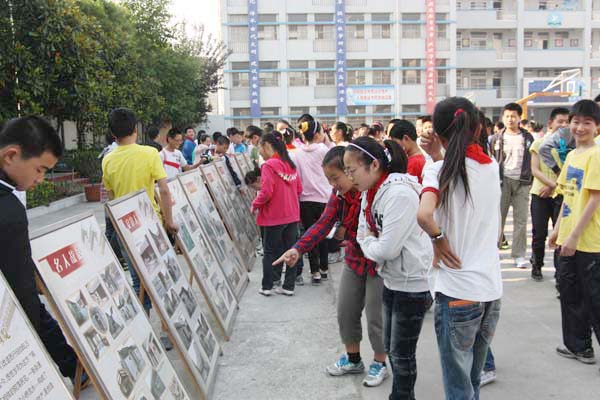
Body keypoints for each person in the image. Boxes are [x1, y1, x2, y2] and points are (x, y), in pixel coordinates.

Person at [274, 146, 388, 387]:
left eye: (336, 177)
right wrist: (298, 248)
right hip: (355, 260)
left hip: (379, 264)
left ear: (350, 171)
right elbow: (323, 223)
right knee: (346, 311)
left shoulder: (377, 193)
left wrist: (351, 233)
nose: (333, 184)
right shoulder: (339, 197)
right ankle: (353, 358)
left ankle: (380, 361)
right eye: (329, 179)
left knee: (376, 318)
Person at [417, 97, 502, 399]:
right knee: (472, 382)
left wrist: (438, 239)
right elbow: (457, 165)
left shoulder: (437, 172)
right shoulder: (492, 168)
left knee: (457, 388)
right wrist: (437, 154)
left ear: (438, 135)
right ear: (478, 128)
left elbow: (424, 215)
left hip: (456, 293)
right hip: (490, 291)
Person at [344, 137, 431, 399]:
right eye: (346, 172)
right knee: (393, 350)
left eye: (352, 171)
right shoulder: (369, 193)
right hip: (392, 279)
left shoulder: (400, 194)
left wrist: (371, 241)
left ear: (374, 165)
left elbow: (385, 250)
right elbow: (361, 235)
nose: (349, 178)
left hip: (412, 284)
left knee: (402, 356)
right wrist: (372, 241)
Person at [0, 116, 80, 382]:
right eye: (40, 169)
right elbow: (24, 295)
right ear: (11, 156)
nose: (41, 179)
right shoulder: (8, 211)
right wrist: (71, 363)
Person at [102, 108, 178, 316]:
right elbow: (163, 189)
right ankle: (169, 330)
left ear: (112, 133)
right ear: (136, 129)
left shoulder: (107, 160)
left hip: (124, 228)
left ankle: (145, 333)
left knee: (138, 281)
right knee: (161, 276)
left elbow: (111, 198)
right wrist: (169, 220)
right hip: (150, 224)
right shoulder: (150, 153)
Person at [548, 99, 600, 367]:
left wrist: (575, 236)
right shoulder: (571, 156)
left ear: (597, 128)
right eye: (576, 122)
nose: (580, 128)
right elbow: (567, 197)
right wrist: (557, 230)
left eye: (587, 123)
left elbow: (593, 200)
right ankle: (579, 346)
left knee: (594, 299)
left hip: (589, 241)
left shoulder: (596, 155)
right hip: (568, 237)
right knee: (569, 292)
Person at [252, 133, 302, 296]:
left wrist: (255, 204)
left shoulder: (268, 165)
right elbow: (299, 190)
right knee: (291, 250)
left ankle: (267, 286)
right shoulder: (290, 165)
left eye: (259, 147)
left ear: (267, 145)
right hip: (292, 215)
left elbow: (266, 192)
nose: (259, 151)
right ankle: (288, 286)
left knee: (269, 251)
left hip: (274, 216)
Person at [490, 102, 534, 268]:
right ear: (503, 117)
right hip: (502, 182)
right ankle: (493, 252)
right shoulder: (496, 138)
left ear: (519, 118)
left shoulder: (528, 137)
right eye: (507, 116)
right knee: (497, 219)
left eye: (513, 116)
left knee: (521, 220)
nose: (510, 119)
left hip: (522, 182)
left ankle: (519, 254)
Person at [529, 107, 570, 282]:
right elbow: (534, 169)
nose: (564, 125)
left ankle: (559, 271)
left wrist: (555, 188)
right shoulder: (539, 143)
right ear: (550, 123)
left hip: (560, 195)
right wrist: (552, 184)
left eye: (567, 122)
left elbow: (570, 171)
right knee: (539, 233)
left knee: (560, 233)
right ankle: (537, 264)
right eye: (560, 121)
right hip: (540, 194)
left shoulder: (569, 144)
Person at [292, 120, 332, 285]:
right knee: (323, 234)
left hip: (305, 200)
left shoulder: (296, 153)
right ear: (317, 134)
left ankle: (314, 271)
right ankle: (324, 268)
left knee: (310, 235)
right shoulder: (323, 150)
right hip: (324, 198)